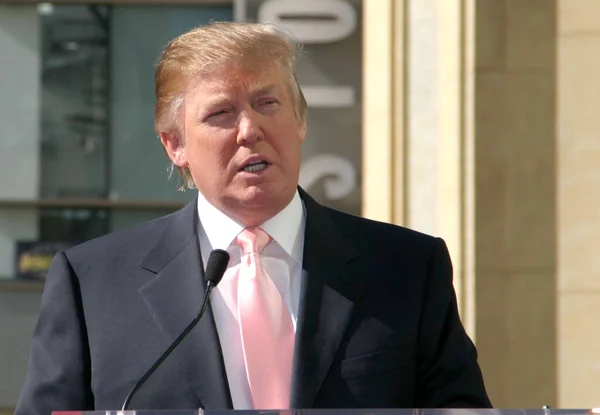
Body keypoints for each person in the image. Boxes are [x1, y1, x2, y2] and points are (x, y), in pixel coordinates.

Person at [15, 21, 492, 414]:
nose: (250, 130)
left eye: (268, 104)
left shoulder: (407, 266)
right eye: (221, 113)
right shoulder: (93, 284)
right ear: (175, 144)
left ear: (301, 119)